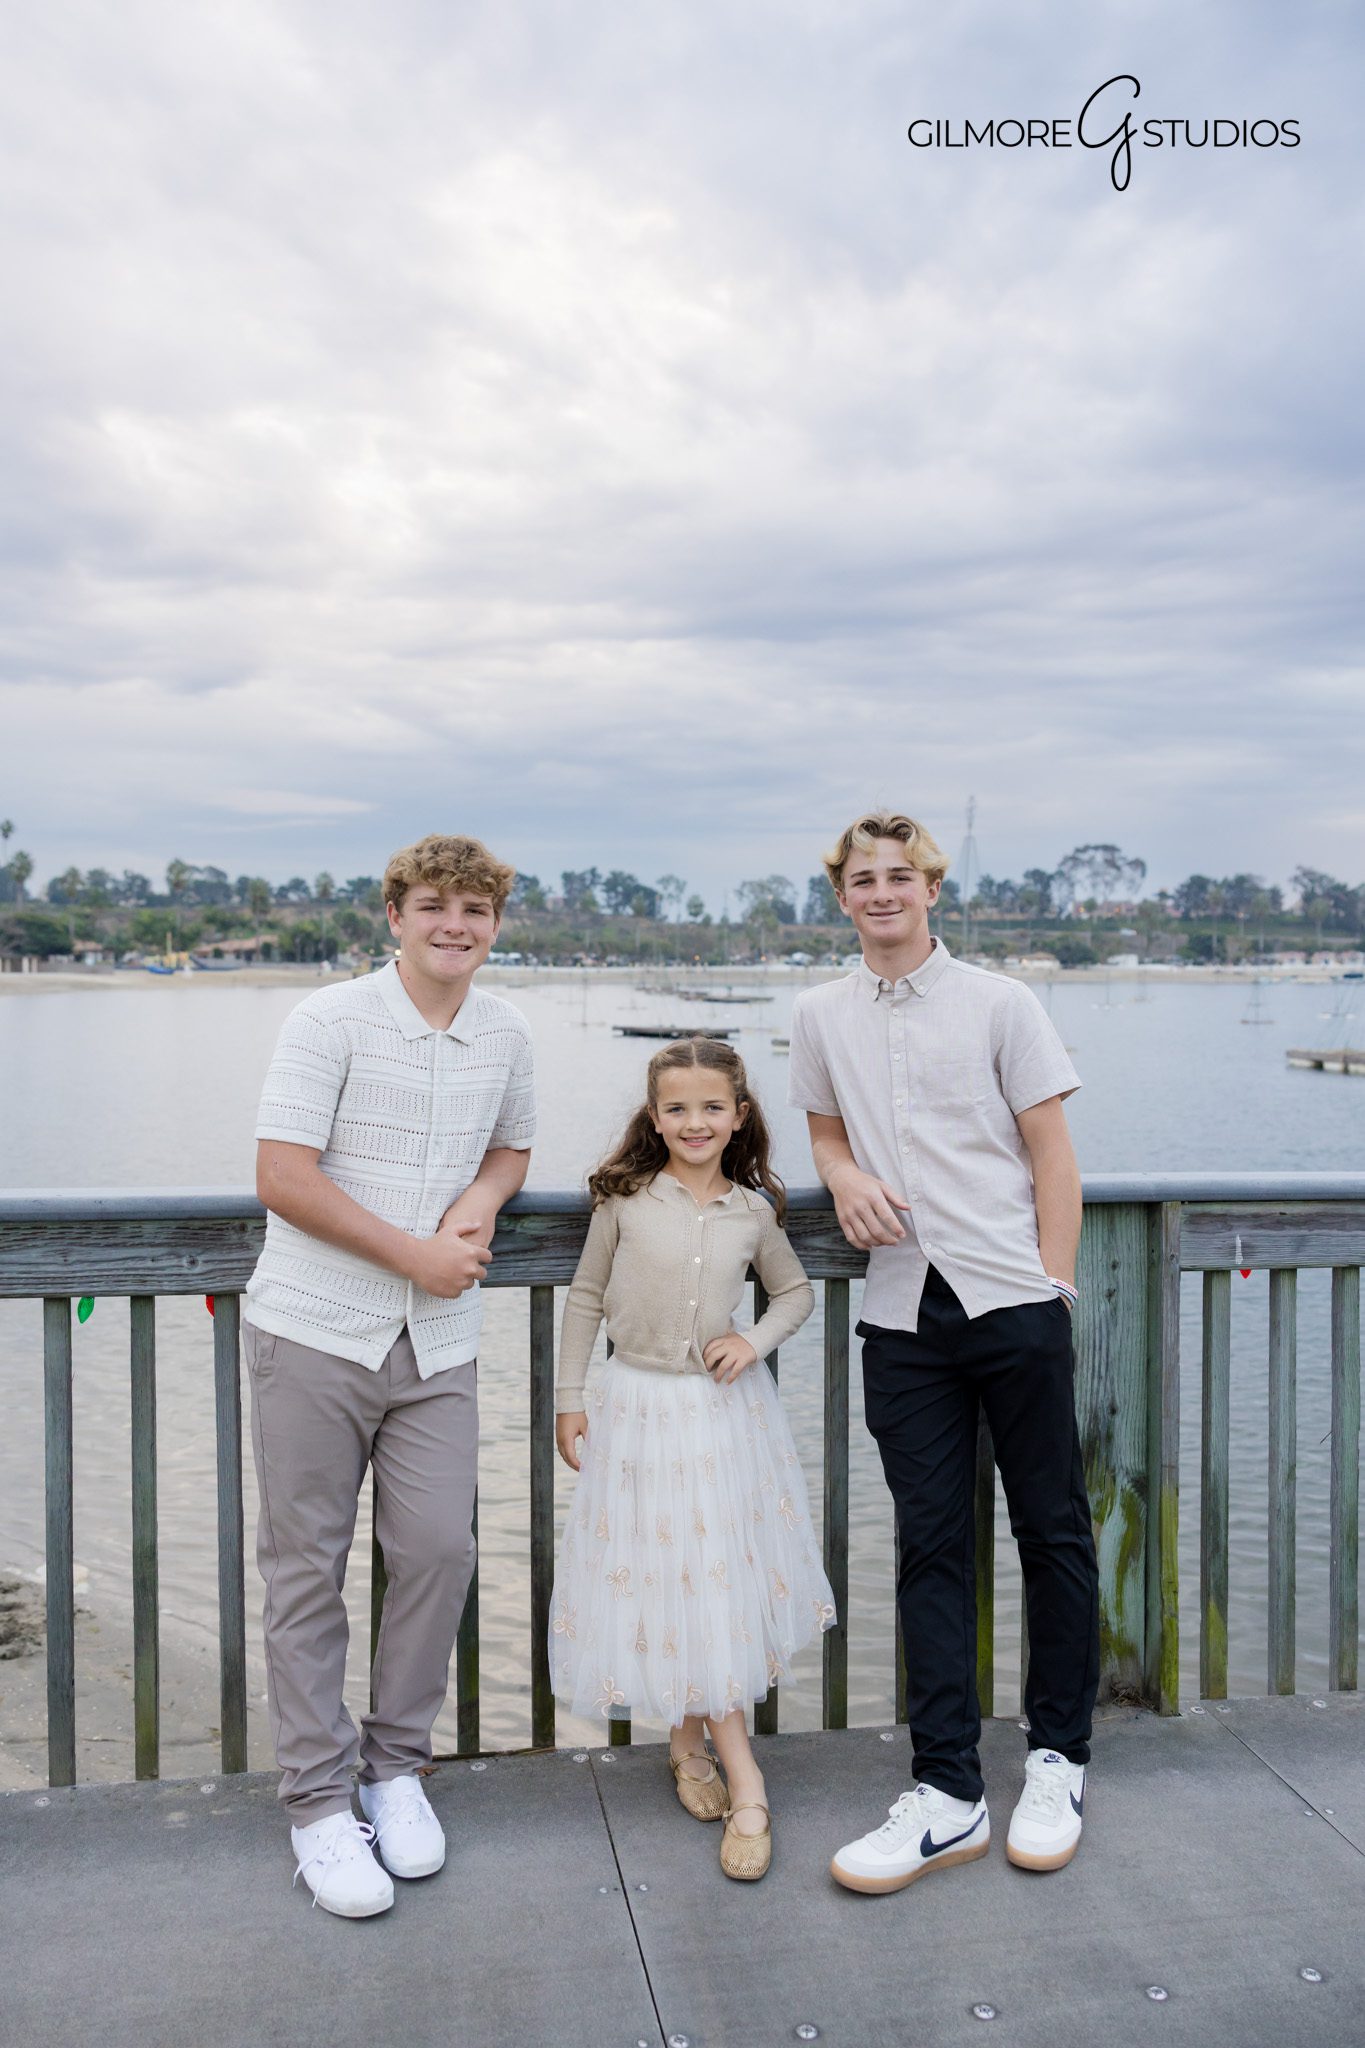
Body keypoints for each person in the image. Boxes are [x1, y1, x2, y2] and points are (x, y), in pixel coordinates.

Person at [788, 810, 1099, 1893]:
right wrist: (838, 1173)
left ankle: (1057, 1759)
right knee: (930, 1545)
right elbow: (825, 1124)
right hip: (900, 1314)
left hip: (1014, 1297)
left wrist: (1053, 1287)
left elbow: (1052, 1151)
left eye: (900, 877)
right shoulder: (819, 1013)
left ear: (931, 890)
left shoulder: (1003, 1003)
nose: (882, 893)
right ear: (842, 898)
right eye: (862, 879)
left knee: (1052, 1529)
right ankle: (950, 1791)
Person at [243, 833, 535, 1917]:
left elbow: (513, 1146)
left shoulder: (506, 1030)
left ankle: (395, 1764)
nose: (454, 923)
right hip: (315, 1330)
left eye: (475, 908)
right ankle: (319, 1801)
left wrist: (485, 1201)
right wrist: (411, 1250)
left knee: (438, 1547)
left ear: (495, 922)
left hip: (438, 1345)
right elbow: (281, 1173)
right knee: (306, 1567)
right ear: (396, 915)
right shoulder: (328, 1018)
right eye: (434, 905)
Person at [551, 1038, 834, 1881]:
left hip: (720, 1417)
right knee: (660, 1567)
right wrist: (569, 1398)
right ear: (654, 1117)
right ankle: (699, 1750)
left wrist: (752, 1340)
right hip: (634, 1409)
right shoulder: (627, 1201)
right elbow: (584, 1298)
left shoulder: (751, 1211)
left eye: (712, 1107)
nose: (694, 1122)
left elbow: (794, 1293)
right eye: (676, 1108)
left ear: (738, 1115)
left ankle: (722, 1763)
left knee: (711, 1571)